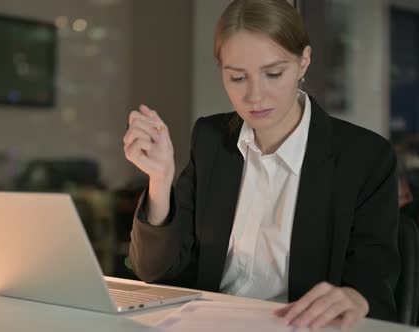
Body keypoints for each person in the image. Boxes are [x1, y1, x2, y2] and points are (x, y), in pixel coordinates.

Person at [122, 0, 399, 330]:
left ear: (304, 62)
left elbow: (374, 289)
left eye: (273, 73)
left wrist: (356, 298)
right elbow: (154, 271)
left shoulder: (365, 157)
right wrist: (159, 179)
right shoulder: (211, 139)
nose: (255, 96)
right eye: (237, 78)